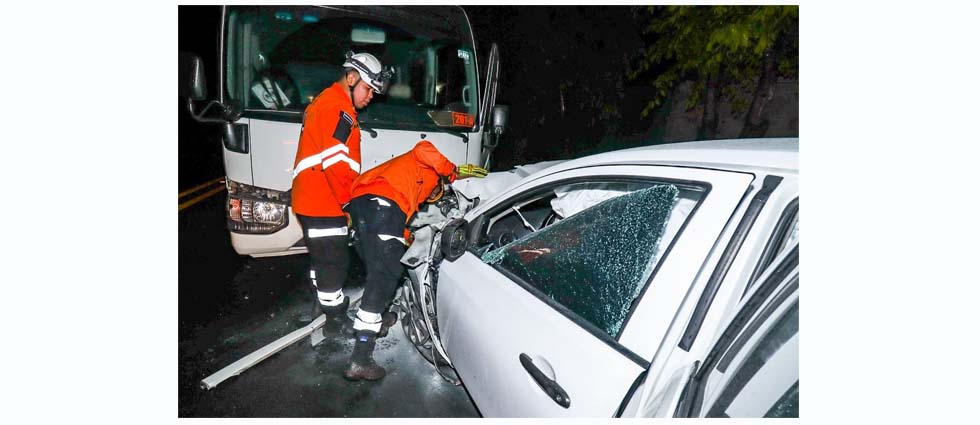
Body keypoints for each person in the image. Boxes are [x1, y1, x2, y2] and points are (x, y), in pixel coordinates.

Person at [343, 141, 487, 381]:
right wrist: (453, 171)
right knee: (383, 279)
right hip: (382, 208)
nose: (432, 195)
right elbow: (423, 147)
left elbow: (395, 219)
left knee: (382, 269)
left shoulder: (394, 173)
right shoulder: (422, 164)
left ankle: (379, 317)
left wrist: (404, 237)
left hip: (361, 208)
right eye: (436, 191)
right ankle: (360, 358)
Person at [291, 52, 392, 335]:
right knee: (335, 262)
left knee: (321, 258)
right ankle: (335, 320)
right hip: (324, 201)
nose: (370, 95)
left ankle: (318, 303)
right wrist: (351, 203)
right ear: (351, 78)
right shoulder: (339, 110)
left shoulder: (326, 102)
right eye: (368, 88)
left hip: (312, 198)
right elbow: (336, 163)